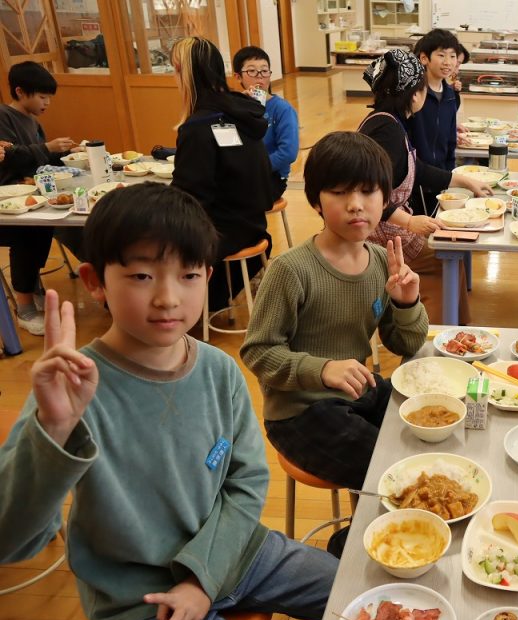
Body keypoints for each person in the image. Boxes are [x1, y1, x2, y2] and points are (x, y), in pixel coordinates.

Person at [0, 182, 337, 620]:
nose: (168, 298)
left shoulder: (219, 371)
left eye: (189, 275)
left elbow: (245, 483)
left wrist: (202, 581)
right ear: (94, 280)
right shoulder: (69, 389)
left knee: (361, 590)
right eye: (141, 275)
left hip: (233, 550)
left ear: (208, 277)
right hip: (141, 600)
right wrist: (53, 430)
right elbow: (10, 540)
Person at [241, 131, 428, 490]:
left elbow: (405, 344)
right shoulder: (291, 270)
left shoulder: (380, 261)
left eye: (368, 191)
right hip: (299, 412)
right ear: (316, 202)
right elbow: (258, 352)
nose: (356, 204)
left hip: (357, 392)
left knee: (428, 423)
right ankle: (367, 526)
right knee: (393, 472)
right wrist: (322, 369)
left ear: (385, 198)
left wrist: (406, 302)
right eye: (340, 193)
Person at [357, 49, 489, 323]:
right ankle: (434, 332)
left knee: (451, 253)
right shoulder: (387, 130)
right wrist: (409, 222)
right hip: (380, 231)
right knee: (445, 257)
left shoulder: (388, 121)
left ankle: (454, 326)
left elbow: (416, 169)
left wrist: (464, 181)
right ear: (414, 95)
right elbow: (368, 195)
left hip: (387, 223)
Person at [170, 36, 274, 312]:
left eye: (175, 70)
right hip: (253, 224)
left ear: (184, 73)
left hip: (222, 234)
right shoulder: (241, 110)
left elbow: (190, 198)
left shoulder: (198, 126)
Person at [0, 62, 77, 336]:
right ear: (20, 92)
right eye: (42, 97)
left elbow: (39, 159)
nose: (47, 103)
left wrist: (65, 153)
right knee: (30, 229)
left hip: (30, 196)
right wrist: (46, 147)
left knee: (50, 220)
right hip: (7, 203)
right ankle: (24, 307)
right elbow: (11, 157)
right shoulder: (3, 116)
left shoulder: (33, 121)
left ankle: (32, 286)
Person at [232, 45, 298, 202]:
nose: (259, 76)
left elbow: (288, 153)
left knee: (228, 200)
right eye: (252, 71)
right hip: (239, 174)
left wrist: (252, 168)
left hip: (271, 177)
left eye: (264, 70)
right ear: (238, 77)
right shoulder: (234, 106)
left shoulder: (282, 109)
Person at [408, 29, 462, 216]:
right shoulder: (414, 96)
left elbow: (450, 140)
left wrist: (450, 175)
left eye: (452, 56)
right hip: (415, 180)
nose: (448, 62)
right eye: (441, 55)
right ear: (424, 58)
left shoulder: (450, 95)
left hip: (441, 178)